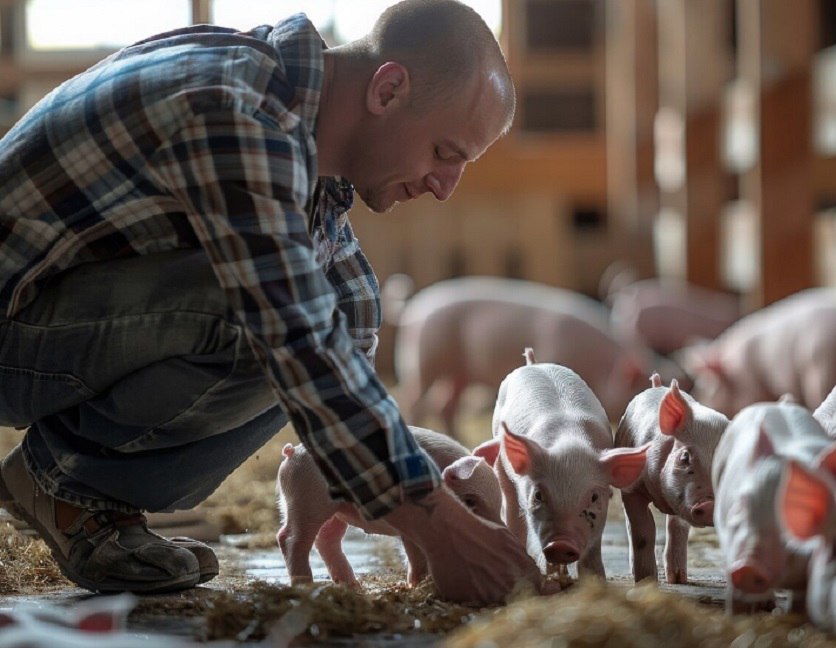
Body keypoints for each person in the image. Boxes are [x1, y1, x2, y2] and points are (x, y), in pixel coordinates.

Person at [0, 0, 541, 604]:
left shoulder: (300, 124)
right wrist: (440, 528)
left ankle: (74, 485)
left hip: (45, 324)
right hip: (9, 330)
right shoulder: (238, 110)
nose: (445, 188)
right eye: (445, 153)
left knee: (346, 306)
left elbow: (345, 320)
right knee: (261, 320)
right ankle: (66, 482)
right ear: (387, 90)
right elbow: (293, 333)